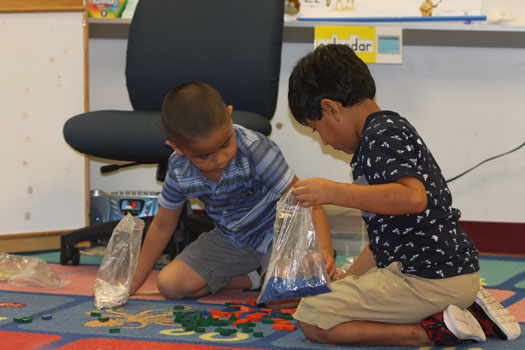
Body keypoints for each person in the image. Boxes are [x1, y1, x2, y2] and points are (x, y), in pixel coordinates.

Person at [287, 44, 521, 346]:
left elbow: (413, 198)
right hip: (454, 275)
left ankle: (435, 330)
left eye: (317, 130)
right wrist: (349, 280)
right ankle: (465, 307)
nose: (324, 142)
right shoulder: (387, 130)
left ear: (331, 108)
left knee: (311, 317)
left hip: (426, 281)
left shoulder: (379, 136)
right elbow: (386, 242)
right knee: (342, 294)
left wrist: (332, 192)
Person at [129, 82, 336, 300]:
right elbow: (162, 225)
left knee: (284, 294)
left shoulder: (255, 149)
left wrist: (323, 250)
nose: (219, 160)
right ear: (178, 148)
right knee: (170, 285)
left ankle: (268, 278)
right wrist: (132, 283)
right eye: (203, 156)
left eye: (225, 144)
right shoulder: (179, 169)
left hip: (277, 234)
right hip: (231, 239)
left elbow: (306, 198)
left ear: (230, 116)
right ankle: (253, 279)